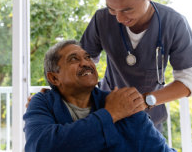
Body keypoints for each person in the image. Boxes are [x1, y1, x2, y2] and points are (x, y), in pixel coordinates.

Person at [80, 0, 192, 130]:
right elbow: (81, 64)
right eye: (112, 9)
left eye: (127, 9)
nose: (119, 18)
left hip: (150, 120)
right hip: (108, 116)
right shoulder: (102, 20)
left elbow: (188, 82)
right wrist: (57, 95)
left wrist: (146, 101)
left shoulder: (174, 23)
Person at [23, 40, 176, 152]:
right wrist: (110, 114)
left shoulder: (122, 103)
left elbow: (159, 149)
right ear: (54, 78)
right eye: (74, 59)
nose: (85, 63)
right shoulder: (42, 102)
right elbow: (40, 147)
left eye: (88, 57)